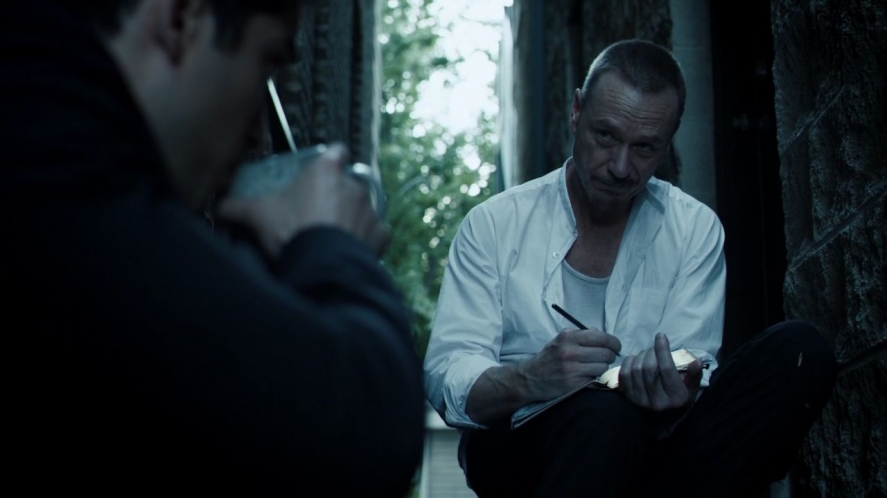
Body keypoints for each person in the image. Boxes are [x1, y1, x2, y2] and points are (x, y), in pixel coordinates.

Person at [1, 0, 424, 494]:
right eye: (265, 61)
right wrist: (332, 245)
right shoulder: (55, 179)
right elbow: (362, 436)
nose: (258, 133)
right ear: (181, 19)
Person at [424, 39, 837, 497]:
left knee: (799, 352)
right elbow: (448, 376)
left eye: (644, 148)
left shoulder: (693, 227)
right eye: (605, 136)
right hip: (525, 450)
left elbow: (691, 360)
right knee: (605, 415)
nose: (621, 167)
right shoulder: (495, 223)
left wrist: (678, 393)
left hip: (651, 449)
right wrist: (530, 377)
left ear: (668, 142)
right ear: (577, 112)